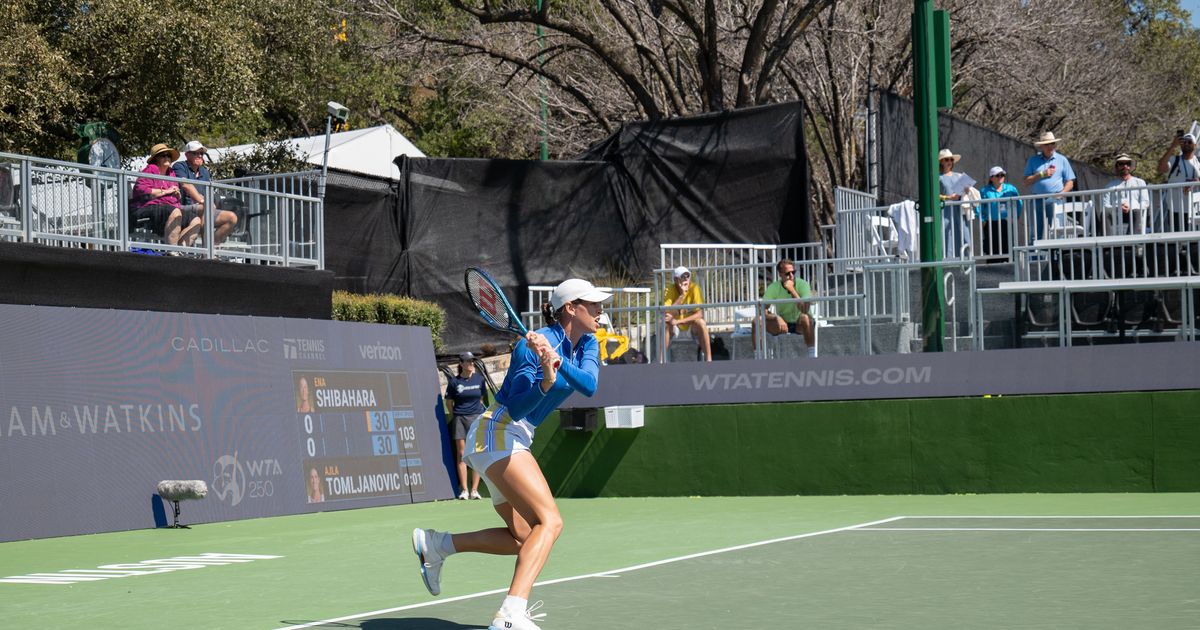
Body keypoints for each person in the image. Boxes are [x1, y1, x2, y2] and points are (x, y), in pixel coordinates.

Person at [411, 278, 611, 630]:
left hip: (514, 438)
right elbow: (516, 408)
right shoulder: (528, 348)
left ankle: (438, 545)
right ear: (570, 308)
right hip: (498, 430)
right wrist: (544, 381)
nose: (600, 310)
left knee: (523, 537)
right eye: (592, 304)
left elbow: (590, 385)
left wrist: (558, 363)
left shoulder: (589, 343)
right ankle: (510, 614)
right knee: (550, 522)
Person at [131, 143, 201, 246]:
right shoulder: (150, 169)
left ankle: (180, 250)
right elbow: (142, 190)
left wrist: (177, 194)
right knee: (175, 212)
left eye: (168, 155)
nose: (167, 157)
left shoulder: (171, 173)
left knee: (196, 220)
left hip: (170, 207)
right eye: (163, 155)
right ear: (156, 159)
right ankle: (172, 251)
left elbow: (173, 191)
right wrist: (166, 191)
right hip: (149, 206)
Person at [172, 140, 238, 245]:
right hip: (183, 208)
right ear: (187, 154)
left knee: (231, 218)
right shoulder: (179, 166)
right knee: (205, 208)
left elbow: (208, 192)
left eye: (201, 153)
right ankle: (206, 252)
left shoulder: (204, 171)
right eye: (195, 153)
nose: (199, 156)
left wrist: (210, 203)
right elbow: (185, 185)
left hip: (203, 209)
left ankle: (212, 247)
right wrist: (203, 201)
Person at [444, 351, 489, 500]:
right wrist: (455, 415)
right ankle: (464, 490)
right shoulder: (454, 382)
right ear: (462, 364)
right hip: (460, 419)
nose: (471, 364)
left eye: (472, 361)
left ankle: (474, 490)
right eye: (468, 362)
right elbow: (449, 402)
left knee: (475, 453)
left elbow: (481, 399)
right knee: (462, 454)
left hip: (476, 418)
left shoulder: (479, 379)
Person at [753, 259, 816, 358]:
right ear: (780, 274)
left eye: (793, 272)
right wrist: (776, 317)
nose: (791, 276)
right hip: (783, 325)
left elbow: (804, 309)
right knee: (756, 321)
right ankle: (758, 358)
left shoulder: (803, 284)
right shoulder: (774, 287)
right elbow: (761, 310)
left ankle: (812, 357)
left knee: (805, 317)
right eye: (787, 273)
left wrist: (792, 290)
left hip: (801, 324)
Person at [1023, 132, 1076, 241]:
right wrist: (1041, 174)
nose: (1050, 146)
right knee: (1035, 233)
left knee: (1058, 231)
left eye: (1052, 143)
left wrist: (1061, 193)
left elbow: (1070, 182)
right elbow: (1026, 181)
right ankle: (1034, 258)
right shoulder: (1033, 160)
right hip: (1036, 199)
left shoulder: (1062, 160)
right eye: (1047, 144)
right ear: (1041, 146)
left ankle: (1058, 257)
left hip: (1056, 200)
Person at [661, 266, 712, 362]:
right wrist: (681, 295)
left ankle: (709, 360)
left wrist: (678, 321)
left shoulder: (695, 288)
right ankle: (660, 362)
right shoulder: (669, 289)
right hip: (674, 328)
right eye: (683, 277)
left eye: (687, 276)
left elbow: (700, 314)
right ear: (676, 279)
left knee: (701, 323)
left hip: (690, 327)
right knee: (665, 324)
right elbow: (666, 312)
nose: (686, 279)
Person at [1156, 132, 1200, 232]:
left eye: (1189, 142)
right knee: (1176, 238)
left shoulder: (1197, 162)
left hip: (1194, 209)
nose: (1187, 144)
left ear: (1195, 145)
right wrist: (1172, 146)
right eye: (1184, 142)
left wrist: (1195, 181)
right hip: (1175, 207)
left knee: (1193, 240)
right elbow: (1161, 168)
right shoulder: (1174, 160)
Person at [937, 148, 975, 258]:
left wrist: (967, 190)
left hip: (959, 209)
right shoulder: (938, 178)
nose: (949, 162)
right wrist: (948, 197)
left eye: (951, 159)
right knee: (947, 233)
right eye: (947, 159)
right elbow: (934, 194)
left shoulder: (959, 176)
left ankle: (967, 258)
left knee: (963, 232)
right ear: (941, 162)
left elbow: (966, 190)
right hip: (946, 210)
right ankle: (948, 259)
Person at [977, 166, 1022, 256]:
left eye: (1002, 175)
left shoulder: (1011, 188)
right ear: (991, 178)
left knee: (1008, 246)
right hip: (991, 223)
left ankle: (1009, 267)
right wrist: (982, 220)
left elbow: (1018, 202)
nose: (1001, 177)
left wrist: (1016, 216)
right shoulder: (984, 191)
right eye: (998, 175)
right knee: (992, 248)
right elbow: (978, 206)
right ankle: (993, 268)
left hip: (1006, 221)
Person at [1102, 154, 1150, 236]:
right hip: (1115, 212)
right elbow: (1105, 204)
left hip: (1134, 211)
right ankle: (1108, 244)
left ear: (1130, 166)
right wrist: (1118, 207)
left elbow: (1145, 202)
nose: (1125, 166)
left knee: (1136, 212)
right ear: (1117, 166)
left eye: (1128, 164)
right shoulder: (1109, 185)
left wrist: (1130, 206)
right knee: (1105, 212)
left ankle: (1132, 243)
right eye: (1121, 164)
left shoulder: (1140, 182)